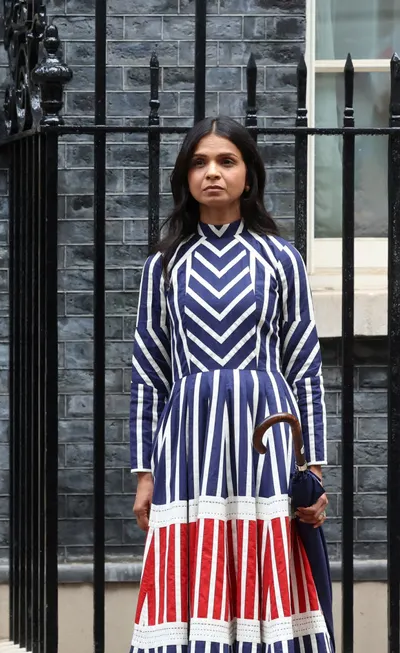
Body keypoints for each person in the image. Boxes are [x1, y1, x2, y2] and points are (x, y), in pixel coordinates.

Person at [127, 116, 333, 652]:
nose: (212, 173)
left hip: (266, 431)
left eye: (226, 161)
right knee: (193, 564)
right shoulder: (164, 265)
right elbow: (148, 371)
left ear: (249, 174)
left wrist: (312, 467)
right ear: (185, 176)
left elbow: (305, 362)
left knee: (265, 557)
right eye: (199, 162)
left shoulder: (281, 258)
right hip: (189, 434)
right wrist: (145, 472)